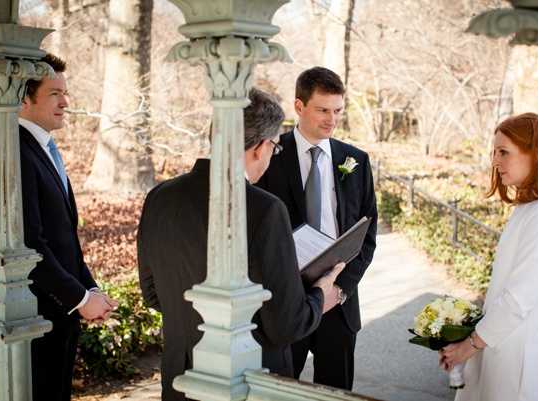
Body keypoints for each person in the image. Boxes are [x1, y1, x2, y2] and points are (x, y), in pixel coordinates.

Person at [137, 88, 344, 401]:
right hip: (250, 380)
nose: (271, 158)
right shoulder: (265, 209)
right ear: (259, 147)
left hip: (182, 377)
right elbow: (285, 325)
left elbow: (153, 293)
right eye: (274, 148)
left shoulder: (160, 197)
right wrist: (320, 296)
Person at [0, 53, 117, 401]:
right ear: (25, 98)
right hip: (36, 312)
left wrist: (90, 290)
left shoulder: (44, 146)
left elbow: (64, 238)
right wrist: (78, 298)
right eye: (54, 94)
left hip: (62, 309)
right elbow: (31, 242)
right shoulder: (12, 152)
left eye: (66, 92)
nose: (65, 102)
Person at [440, 113, 538, 401]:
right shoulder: (532, 209)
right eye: (494, 152)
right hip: (503, 351)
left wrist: (469, 345)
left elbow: (519, 298)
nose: (495, 161)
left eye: (504, 152)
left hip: (524, 365)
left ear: (536, 154)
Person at [256, 66, 377, 390]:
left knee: (336, 393)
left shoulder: (356, 160)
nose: (331, 119)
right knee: (280, 391)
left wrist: (339, 290)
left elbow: (367, 236)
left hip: (339, 304)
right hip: (283, 303)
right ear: (299, 106)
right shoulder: (268, 154)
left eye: (337, 111)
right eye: (322, 110)